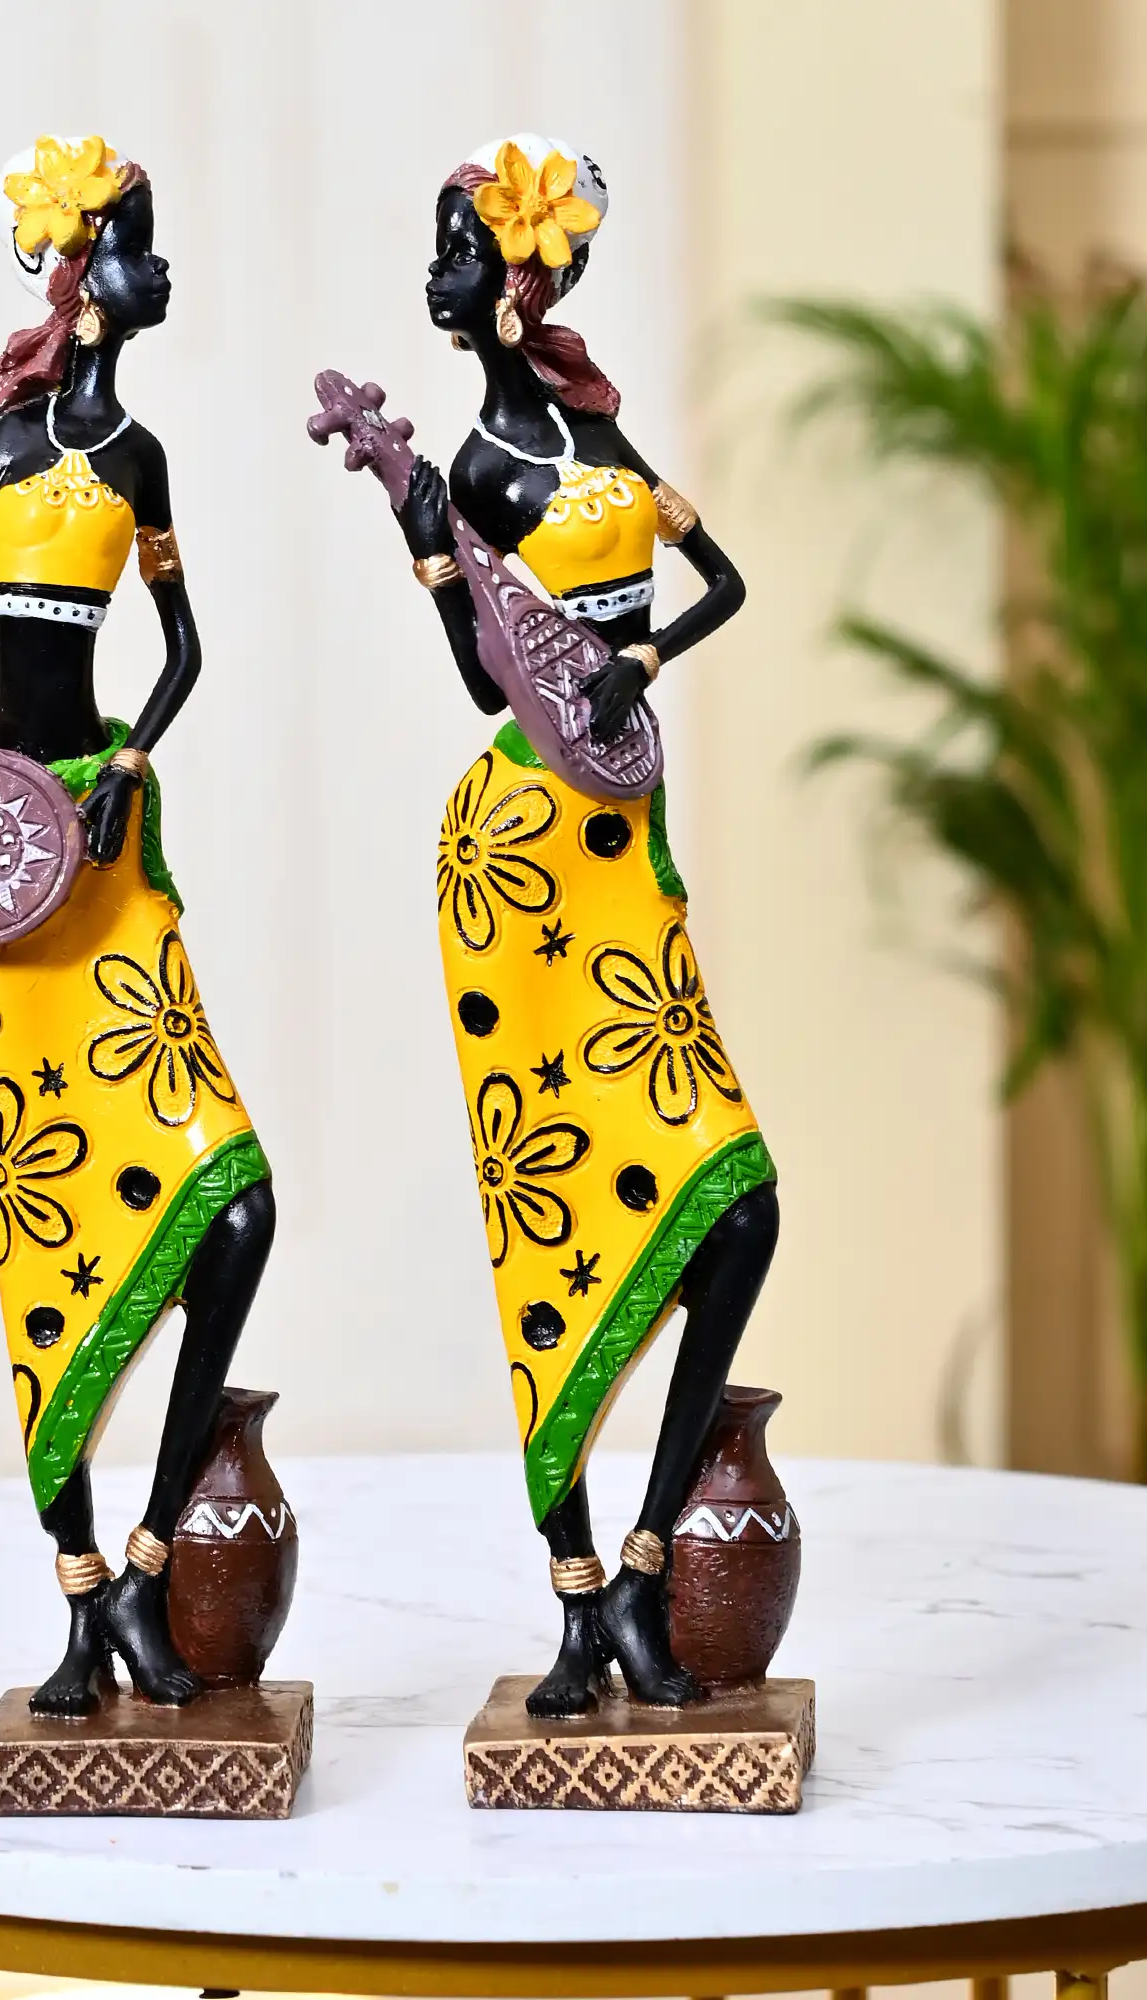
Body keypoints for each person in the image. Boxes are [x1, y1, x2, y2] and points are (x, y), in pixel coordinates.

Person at [392, 136, 779, 1712]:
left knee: (737, 1207)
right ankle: (577, 1599)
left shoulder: (598, 428)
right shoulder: (476, 472)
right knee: (548, 1212)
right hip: (521, 853)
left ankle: (640, 1562)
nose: (453, 278)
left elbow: (723, 584)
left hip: (629, 843)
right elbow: (485, 680)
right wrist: (423, 537)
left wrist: (642, 662)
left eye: (467, 249)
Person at [0, 137, 274, 1716]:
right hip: (2, 859)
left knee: (234, 1210)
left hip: (105, 858)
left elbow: (181, 650)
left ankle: (145, 1548)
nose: (155, 266)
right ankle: (80, 1595)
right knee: (44, 1231)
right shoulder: (8, 446)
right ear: (76, 272)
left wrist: (127, 762)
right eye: (134, 242)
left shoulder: (142, 461)